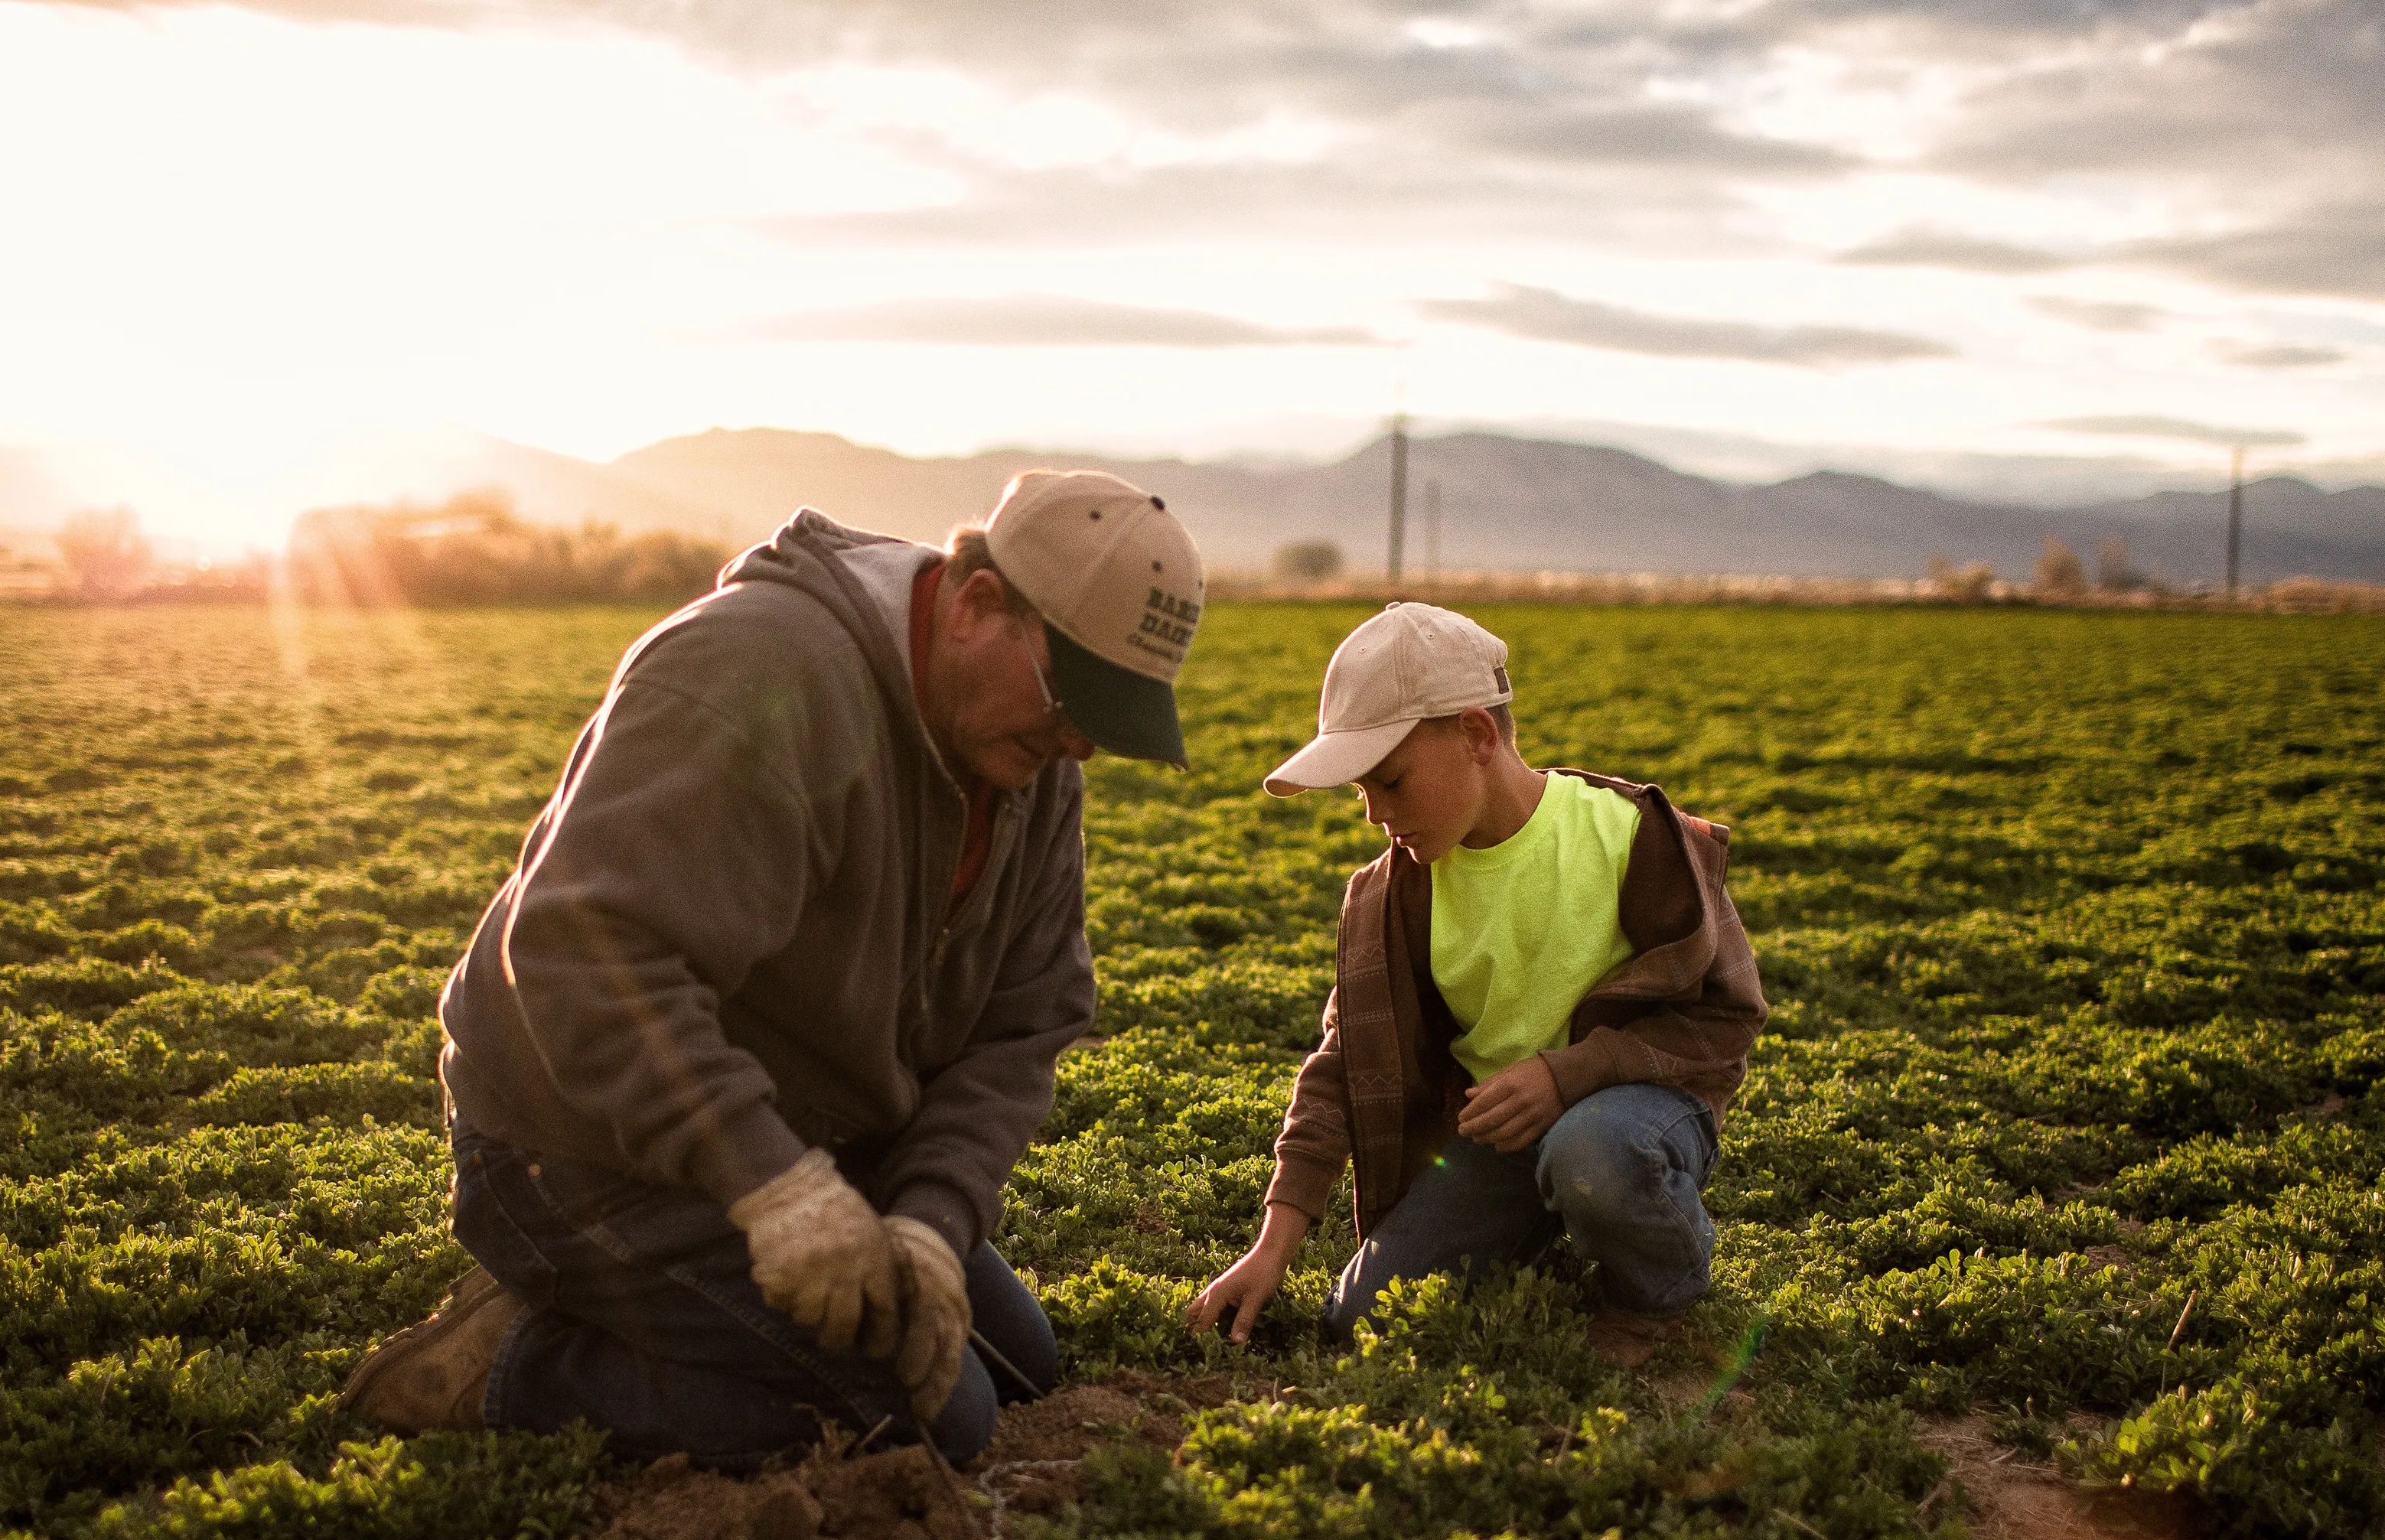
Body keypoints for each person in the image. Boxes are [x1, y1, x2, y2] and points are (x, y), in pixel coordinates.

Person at [341, 470, 1207, 1466]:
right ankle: (516, 1365)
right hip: (575, 1147)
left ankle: (663, 1309)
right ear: (978, 604)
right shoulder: (755, 668)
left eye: (1108, 721)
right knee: (929, 1421)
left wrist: (931, 1218)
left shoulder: (1029, 764)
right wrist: (774, 1188)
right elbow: (581, 956)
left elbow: (1025, 1022)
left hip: (812, 1132)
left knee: (1019, 1367)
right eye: (1071, 700)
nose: (1079, 744)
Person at [1188, 602, 1764, 1350]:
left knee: (1595, 1156)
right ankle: (1553, 1218)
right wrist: (1273, 1247)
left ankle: (1657, 1293)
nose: (1373, 815)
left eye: (1389, 782)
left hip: (1634, 1114)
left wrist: (1568, 1074)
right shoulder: (1392, 893)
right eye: (1361, 790)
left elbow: (1728, 1020)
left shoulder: (1634, 837)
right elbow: (1340, 1064)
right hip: (1497, 1137)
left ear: (1477, 735)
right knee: (1364, 1320)